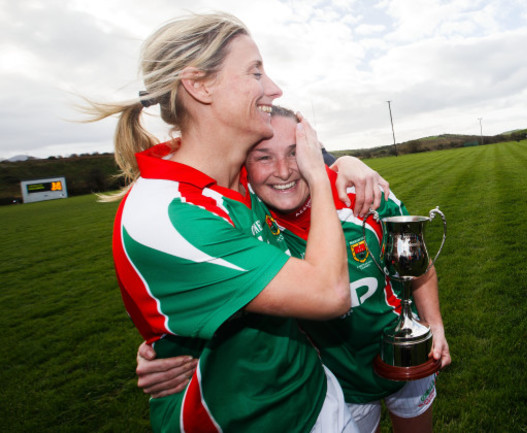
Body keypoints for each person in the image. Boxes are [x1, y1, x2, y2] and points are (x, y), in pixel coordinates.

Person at [84, 12, 388, 433]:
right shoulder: (169, 217)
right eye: (255, 71)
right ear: (199, 85)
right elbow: (328, 293)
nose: (274, 88)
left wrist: (346, 162)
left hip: (316, 394)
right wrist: (318, 173)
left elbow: (283, 168)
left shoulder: (241, 174)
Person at [137, 106, 452, 433]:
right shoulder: (245, 222)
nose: (284, 171)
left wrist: (435, 324)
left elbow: (418, 266)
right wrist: (162, 352)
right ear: (243, 166)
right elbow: (205, 286)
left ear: (314, 154)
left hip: (403, 356)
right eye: (263, 157)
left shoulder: (363, 196)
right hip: (335, 380)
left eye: (295, 153)